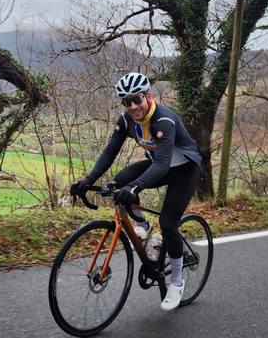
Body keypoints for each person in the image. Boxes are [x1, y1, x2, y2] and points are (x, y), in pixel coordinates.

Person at [70, 72, 202, 311]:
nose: (132, 106)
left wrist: (135, 187)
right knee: (121, 180)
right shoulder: (126, 121)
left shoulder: (163, 120)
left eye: (136, 99)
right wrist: (88, 180)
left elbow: (162, 164)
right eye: (126, 101)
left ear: (147, 96)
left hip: (184, 170)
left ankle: (176, 281)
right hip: (160, 167)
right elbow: (109, 153)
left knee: (168, 223)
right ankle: (144, 226)